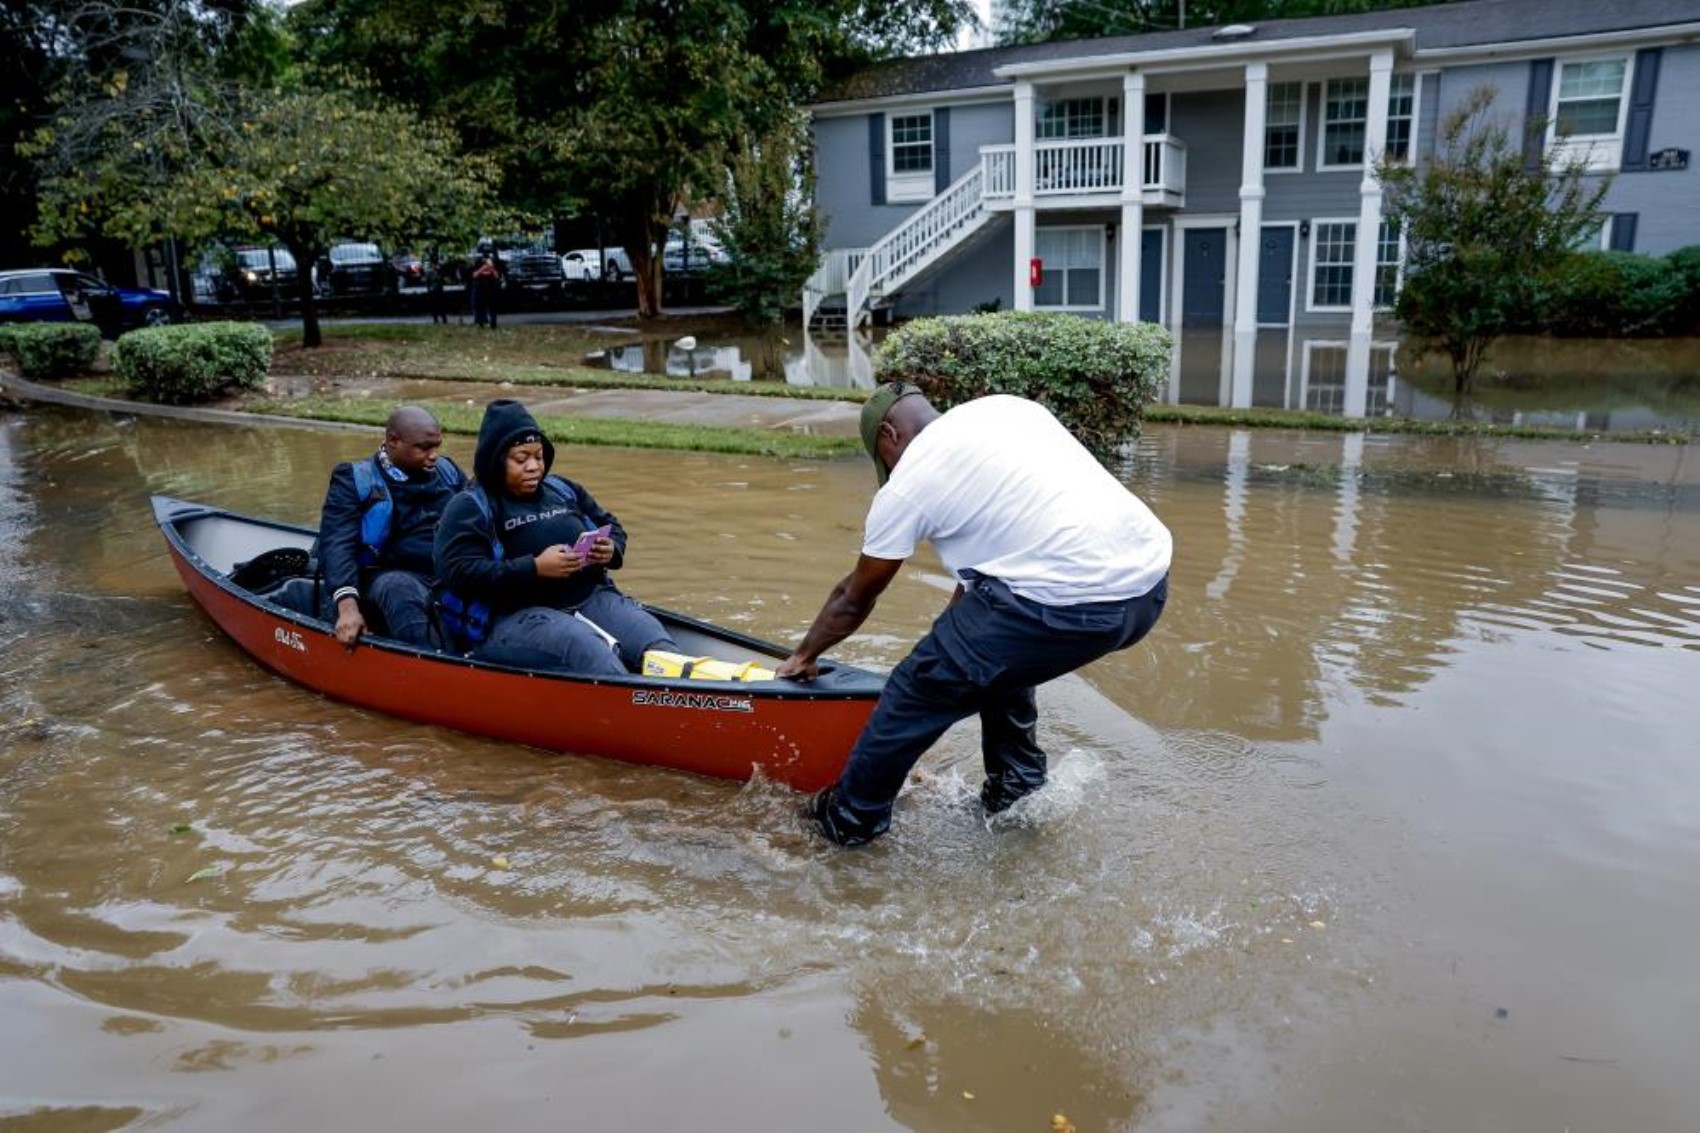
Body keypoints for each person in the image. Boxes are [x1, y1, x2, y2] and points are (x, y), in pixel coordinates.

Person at [777, 382, 1172, 847]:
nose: (890, 471)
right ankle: (1016, 795)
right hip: (1146, 587)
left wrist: (803, 657)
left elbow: (854, 597)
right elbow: (991, 573)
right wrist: (950, 643)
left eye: (884, 462)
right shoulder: (1004, 412)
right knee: (993, 663)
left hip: (1069, 600)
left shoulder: (910, 484)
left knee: (914, 689)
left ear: (889, 435)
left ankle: (846, 824)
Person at [433, 399, 679, 674]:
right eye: (520, 459)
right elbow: (455, 571)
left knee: (655, 644)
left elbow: (610, 524)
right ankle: (634, 708)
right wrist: (535, 568)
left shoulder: (562, 489)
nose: (533, 466)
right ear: (495, 460)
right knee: (592, 652)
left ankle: (689, 700)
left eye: (538, 456)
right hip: (512, 617)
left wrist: (612, 549)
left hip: (589, 598)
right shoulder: (469, 506)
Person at [317, 405, 466, 649]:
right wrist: (347, 609)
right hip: (389, 576)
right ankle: (432, 664)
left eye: (436, 446)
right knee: (397, 587)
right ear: (394, 441)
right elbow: (336, 543)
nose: (433, 455)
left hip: (447, 570)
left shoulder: (447, 471)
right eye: (424, 448)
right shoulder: (354, 480)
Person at [469, 254, 500, 329]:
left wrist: (491, 268)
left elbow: (497, 276)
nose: (486, 260)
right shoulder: (477, 263)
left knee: (492, 306)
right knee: (480, 306)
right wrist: (482, 268)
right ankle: (480, 323)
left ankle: (493, 323)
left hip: (491, 287)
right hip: (480, 287)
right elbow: (474, 275)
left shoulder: (493, 263)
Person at [424, 257, 450, 325]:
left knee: (441, 306)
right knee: (434, 306)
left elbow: (445, 279)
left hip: (439, 290)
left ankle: (444, 320)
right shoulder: (429, 272)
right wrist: (429, 289)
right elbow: (427, 281)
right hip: (433, 290)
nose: (435, 266)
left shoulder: (439, 271)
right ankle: (436, 320)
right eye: (434, 264)